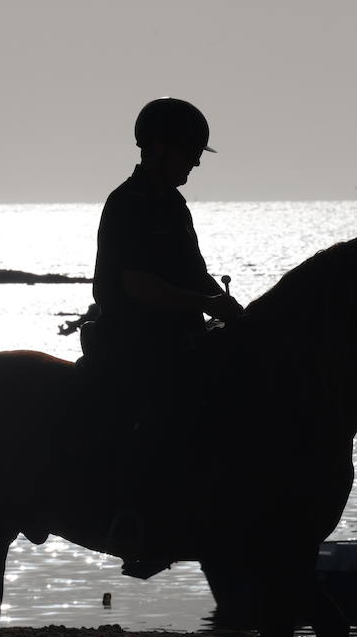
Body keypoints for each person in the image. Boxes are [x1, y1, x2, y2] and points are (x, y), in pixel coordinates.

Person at [88, 97, 247, 575]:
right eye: (188, 152)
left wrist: (235, 312)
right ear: (155, 148)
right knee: (166, 406)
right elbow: (137, 284)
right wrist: (204, 304)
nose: (196, 162)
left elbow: (195, 274)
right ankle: (135, 521)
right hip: (132, 339)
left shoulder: (174, 205)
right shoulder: (127, 204)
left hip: (176, 335)